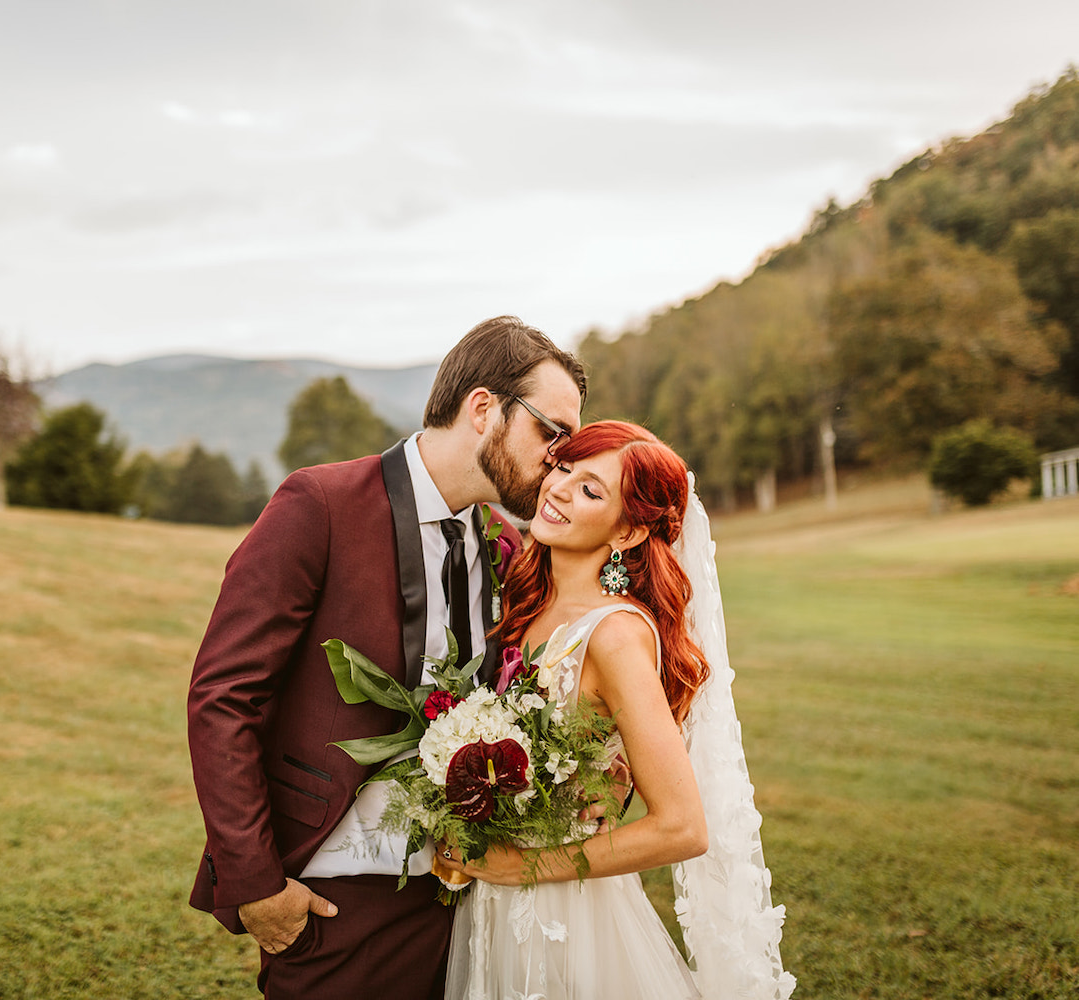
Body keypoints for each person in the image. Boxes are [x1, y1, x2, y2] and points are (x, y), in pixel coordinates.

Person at [187, 316, 586, 999]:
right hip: (335, 903)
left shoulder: (507, 546)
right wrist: (258, 887)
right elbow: (223, 698)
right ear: (483, 408)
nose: (559, 459)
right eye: (551, 433)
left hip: (469, 899)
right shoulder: (320, 505)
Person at [438, 420, 795, 1000]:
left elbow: (682, 827)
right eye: (563, 468)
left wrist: (519, 868)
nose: (557, 488)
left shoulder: (614, 635)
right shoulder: (525, 604)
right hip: (491, 903)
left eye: (591, 490)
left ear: (628, 531)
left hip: (564, 913)